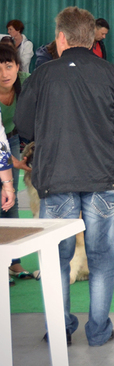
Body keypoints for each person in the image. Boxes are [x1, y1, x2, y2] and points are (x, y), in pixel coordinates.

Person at [15, 6, 114, 346]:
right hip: (102, 178)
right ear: (91, 39)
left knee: (56, 255)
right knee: (103, 257)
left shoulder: (40, 78)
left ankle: (60, 329)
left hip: (55, 179)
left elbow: (25, 127)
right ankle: (99, 331)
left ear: (60, 38)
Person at [0, 43, 23, 286]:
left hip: (12, 137)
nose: (4, 73)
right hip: (1, 141)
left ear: (18, 66)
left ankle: (14, 261)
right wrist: (14, 163)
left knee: (11, 200)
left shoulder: (26, 83)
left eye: (9, 66)